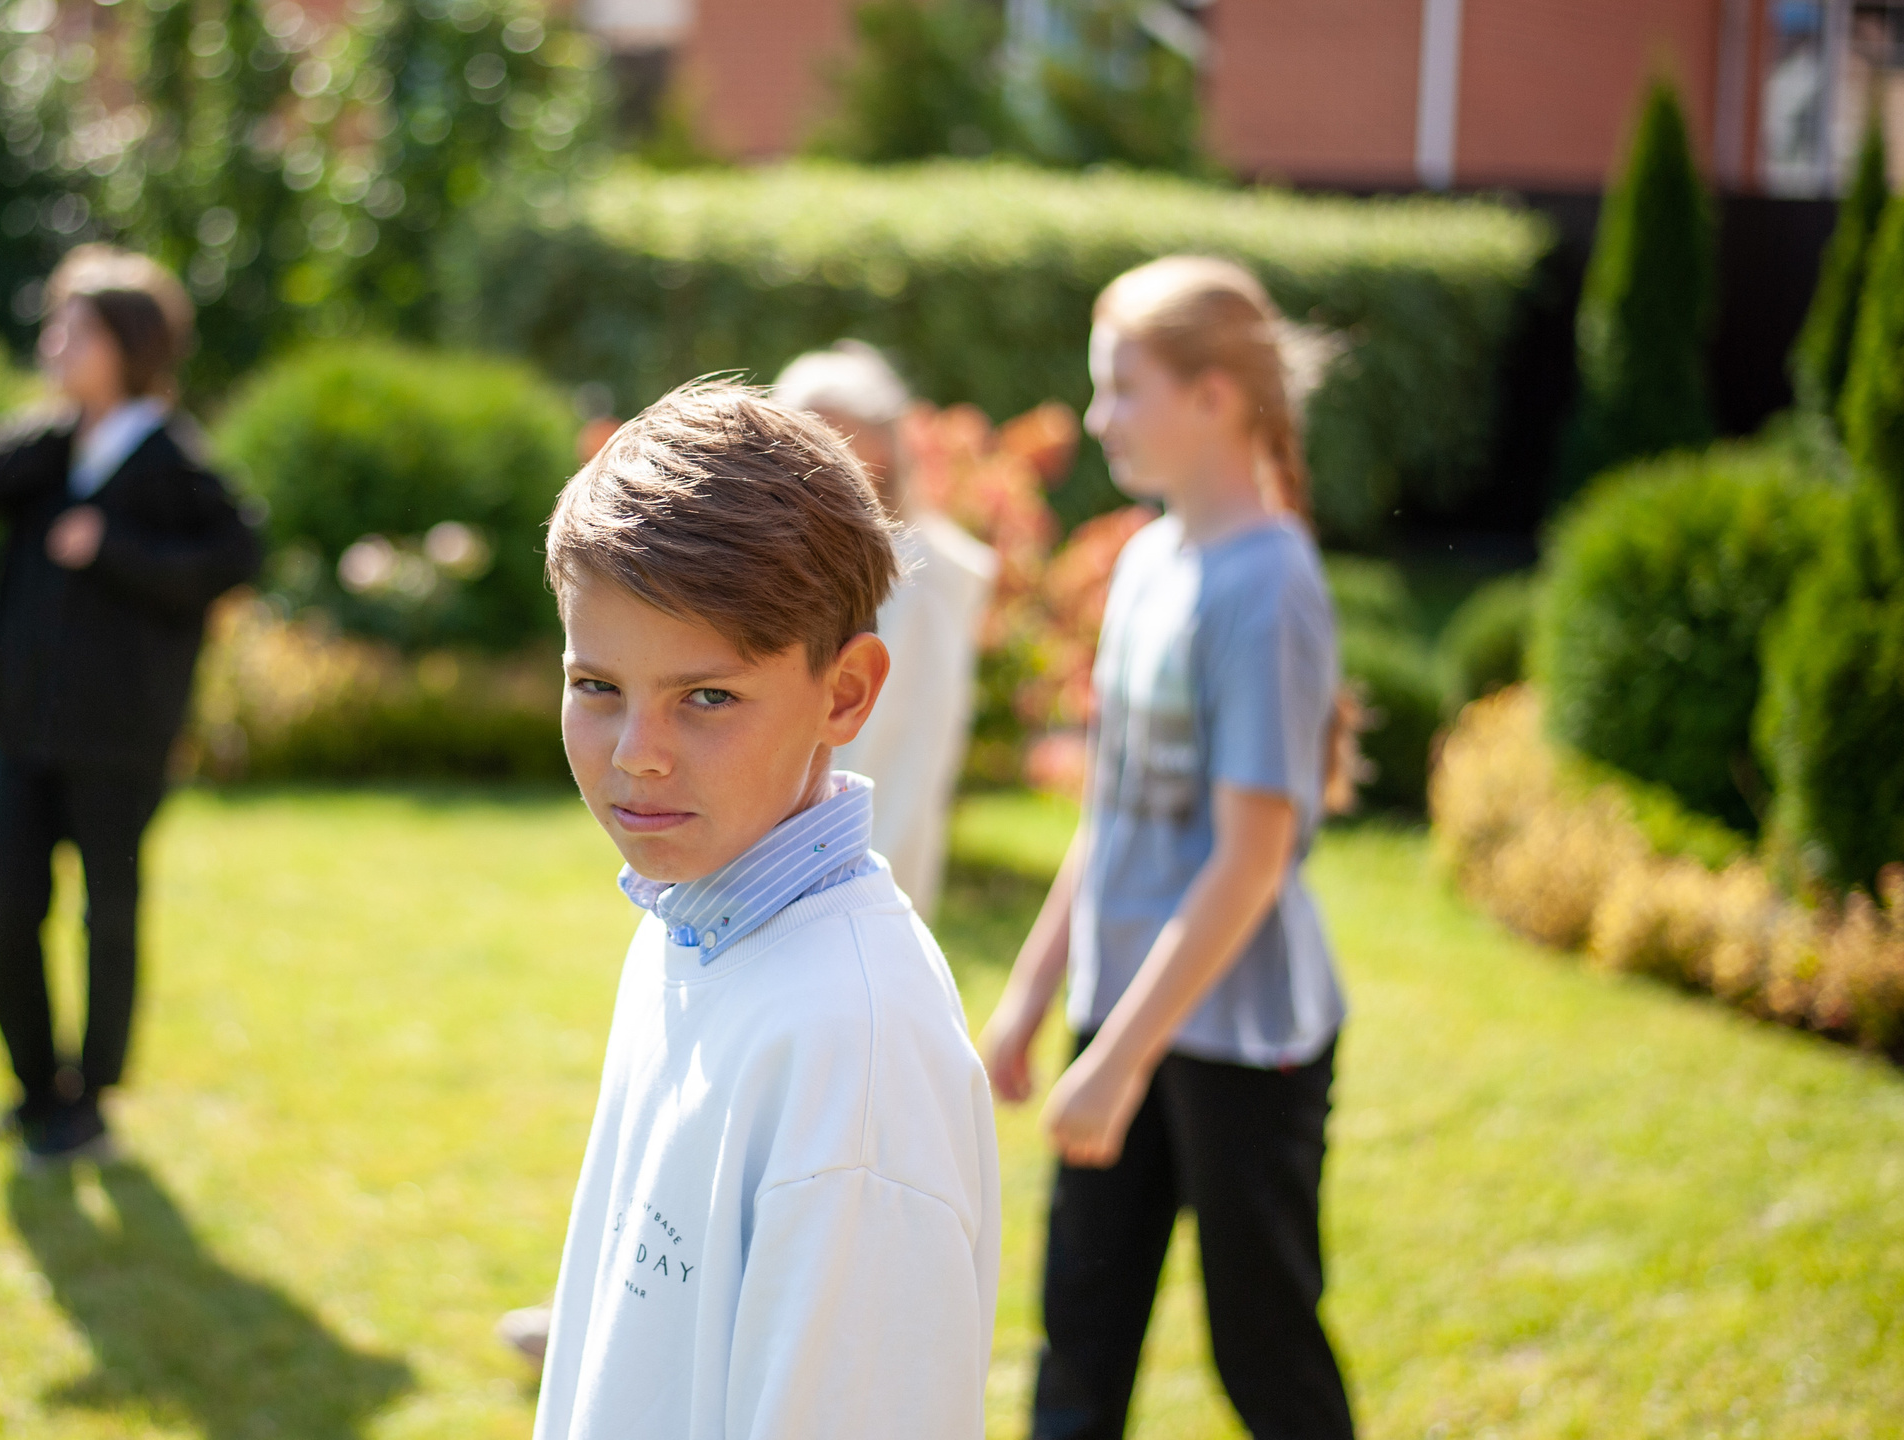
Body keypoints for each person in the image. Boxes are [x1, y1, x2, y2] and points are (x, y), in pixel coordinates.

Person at [530, 380, 1000, 1438]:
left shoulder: (851, 1054)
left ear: (845, 694)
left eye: (708, 697)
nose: (635, 753)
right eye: (596, 685)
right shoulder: (685, 921)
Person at [974, 256, 1356, 1440]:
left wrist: (1122, 1060)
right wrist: (1034, 998)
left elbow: (1247, 862)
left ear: (1216, 398)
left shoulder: (1270, 586)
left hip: (1239, 1043)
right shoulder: (1144, 562)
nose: (1098, 418)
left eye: (1123, 388)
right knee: (1077, 1340)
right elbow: (1114, 807)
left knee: (1262, 1353)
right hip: (1124, 1016)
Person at [0, 244, 262, 1165]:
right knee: (4, 909)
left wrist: (113, 546)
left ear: (129, 344)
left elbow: (233, 560)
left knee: (107, 917)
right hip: (23, 732)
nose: (53, 346)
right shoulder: (47, 448)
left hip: (118, 741)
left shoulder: (169, 460)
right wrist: (55, 433)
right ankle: (37, 1089)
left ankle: (91, 1105)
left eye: (73, 331)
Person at [771, 341, 998, 917]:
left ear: (884, 445)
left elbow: (902, 757)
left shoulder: (920, 575)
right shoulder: (807, 555)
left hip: (850, 873)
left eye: (833, 432)